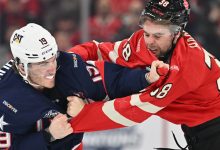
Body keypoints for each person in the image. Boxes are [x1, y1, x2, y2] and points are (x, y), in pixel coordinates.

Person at [67, 0, 220, 150]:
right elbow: (99, 51)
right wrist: (64, 60)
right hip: (198, 128)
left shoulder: (186, 65)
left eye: (158, 36)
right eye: (147, 33)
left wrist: (82, 115)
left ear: (176, 33)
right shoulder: (142, 40)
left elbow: (136, 110)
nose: (150, 42)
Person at [0, 23, 167, 150]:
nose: (51, 68)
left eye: (52, 58)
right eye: (43, 63)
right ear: (22, 67)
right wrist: (49, 135)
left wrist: (146, 77)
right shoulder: (5, 97)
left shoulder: (68, 67)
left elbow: (112, 81)